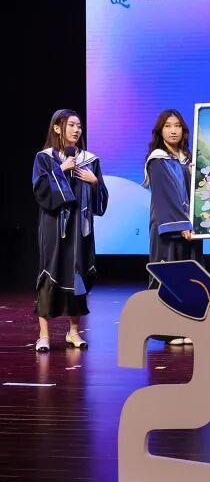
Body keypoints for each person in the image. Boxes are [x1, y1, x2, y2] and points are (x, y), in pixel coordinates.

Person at [32, 109, 108, 353]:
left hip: (79, 227)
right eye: (72, 125)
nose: (77, 130)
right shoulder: (44, 158)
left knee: (78, 275)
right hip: (54, 226)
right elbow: (40, 191)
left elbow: (100, 202)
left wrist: (94, 182)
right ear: (57, 128)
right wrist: (61, 170)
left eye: (79, 126)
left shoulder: (89, 160)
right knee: (49, 273)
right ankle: (43, 335)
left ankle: (73, 331)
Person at [143, 109, 203, 345]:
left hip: (189, 229)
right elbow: (165, 196)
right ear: (160, 131)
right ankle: (168, 331)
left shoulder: (187, 159)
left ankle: (189, 327)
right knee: (170, 276)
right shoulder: (158, 159)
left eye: (177, 125)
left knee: (191, 278)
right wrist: (182, 224)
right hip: (168, 228)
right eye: (168, 126)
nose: (173, 130)